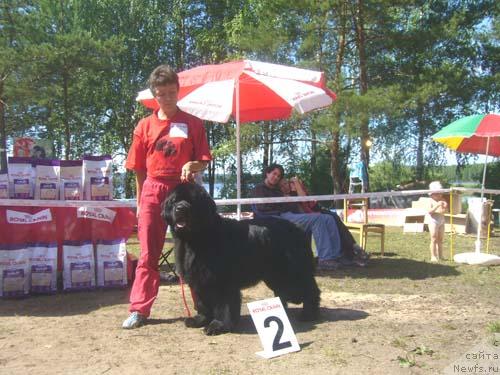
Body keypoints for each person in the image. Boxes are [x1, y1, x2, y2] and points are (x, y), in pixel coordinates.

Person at [122, 65, 212, 329]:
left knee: (194, 252)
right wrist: (140, 203)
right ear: (154, 95)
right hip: (153, 190)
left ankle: (203, 305)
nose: (168, 98)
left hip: (183, 192)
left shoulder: (193, 123)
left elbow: (204, 159)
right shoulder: (144, 126)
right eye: (162, 94)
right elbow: (138, 168)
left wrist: (192, 166)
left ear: (178, 91)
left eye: (172, 92)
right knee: (149, 254)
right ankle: (140, 309)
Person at [252, 164, 346, 271]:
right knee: (317, 219)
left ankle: (335, 256)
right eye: (274, 174)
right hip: (276, 218)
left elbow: (291, 205)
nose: (276, 177)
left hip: (287, 215)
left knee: (328, 218)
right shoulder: (259, 189)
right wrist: (282, 204)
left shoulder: (277, 190)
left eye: (278, 176)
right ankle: (325, 259)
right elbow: (262, 208)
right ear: (267, 173)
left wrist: (289, 198)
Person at [279, 176, 369, 266]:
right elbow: (303, 201)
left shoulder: (296, 190)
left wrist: (296, 182)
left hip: (314, 209)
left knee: (333, 218)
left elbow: (305, 199)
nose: (284, 187)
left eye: (286, 184)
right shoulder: (284, 196)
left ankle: (345, 251)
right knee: (330, 218)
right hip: (310, 213)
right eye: (281, 186)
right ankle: (350, 250)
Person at [425, 181, 447, 262]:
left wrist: (445, 207)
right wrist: (437, 205)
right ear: (432, 194)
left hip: (441, 220)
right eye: (437, 193)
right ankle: (433, 256)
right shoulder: (430, 200)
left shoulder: (442, 199)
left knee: (440, 239)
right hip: (433, 221)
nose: (440, 195)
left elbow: (444, 211)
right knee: (434, 238)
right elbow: (430, 211)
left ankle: (441, 255)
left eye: (440, 193)